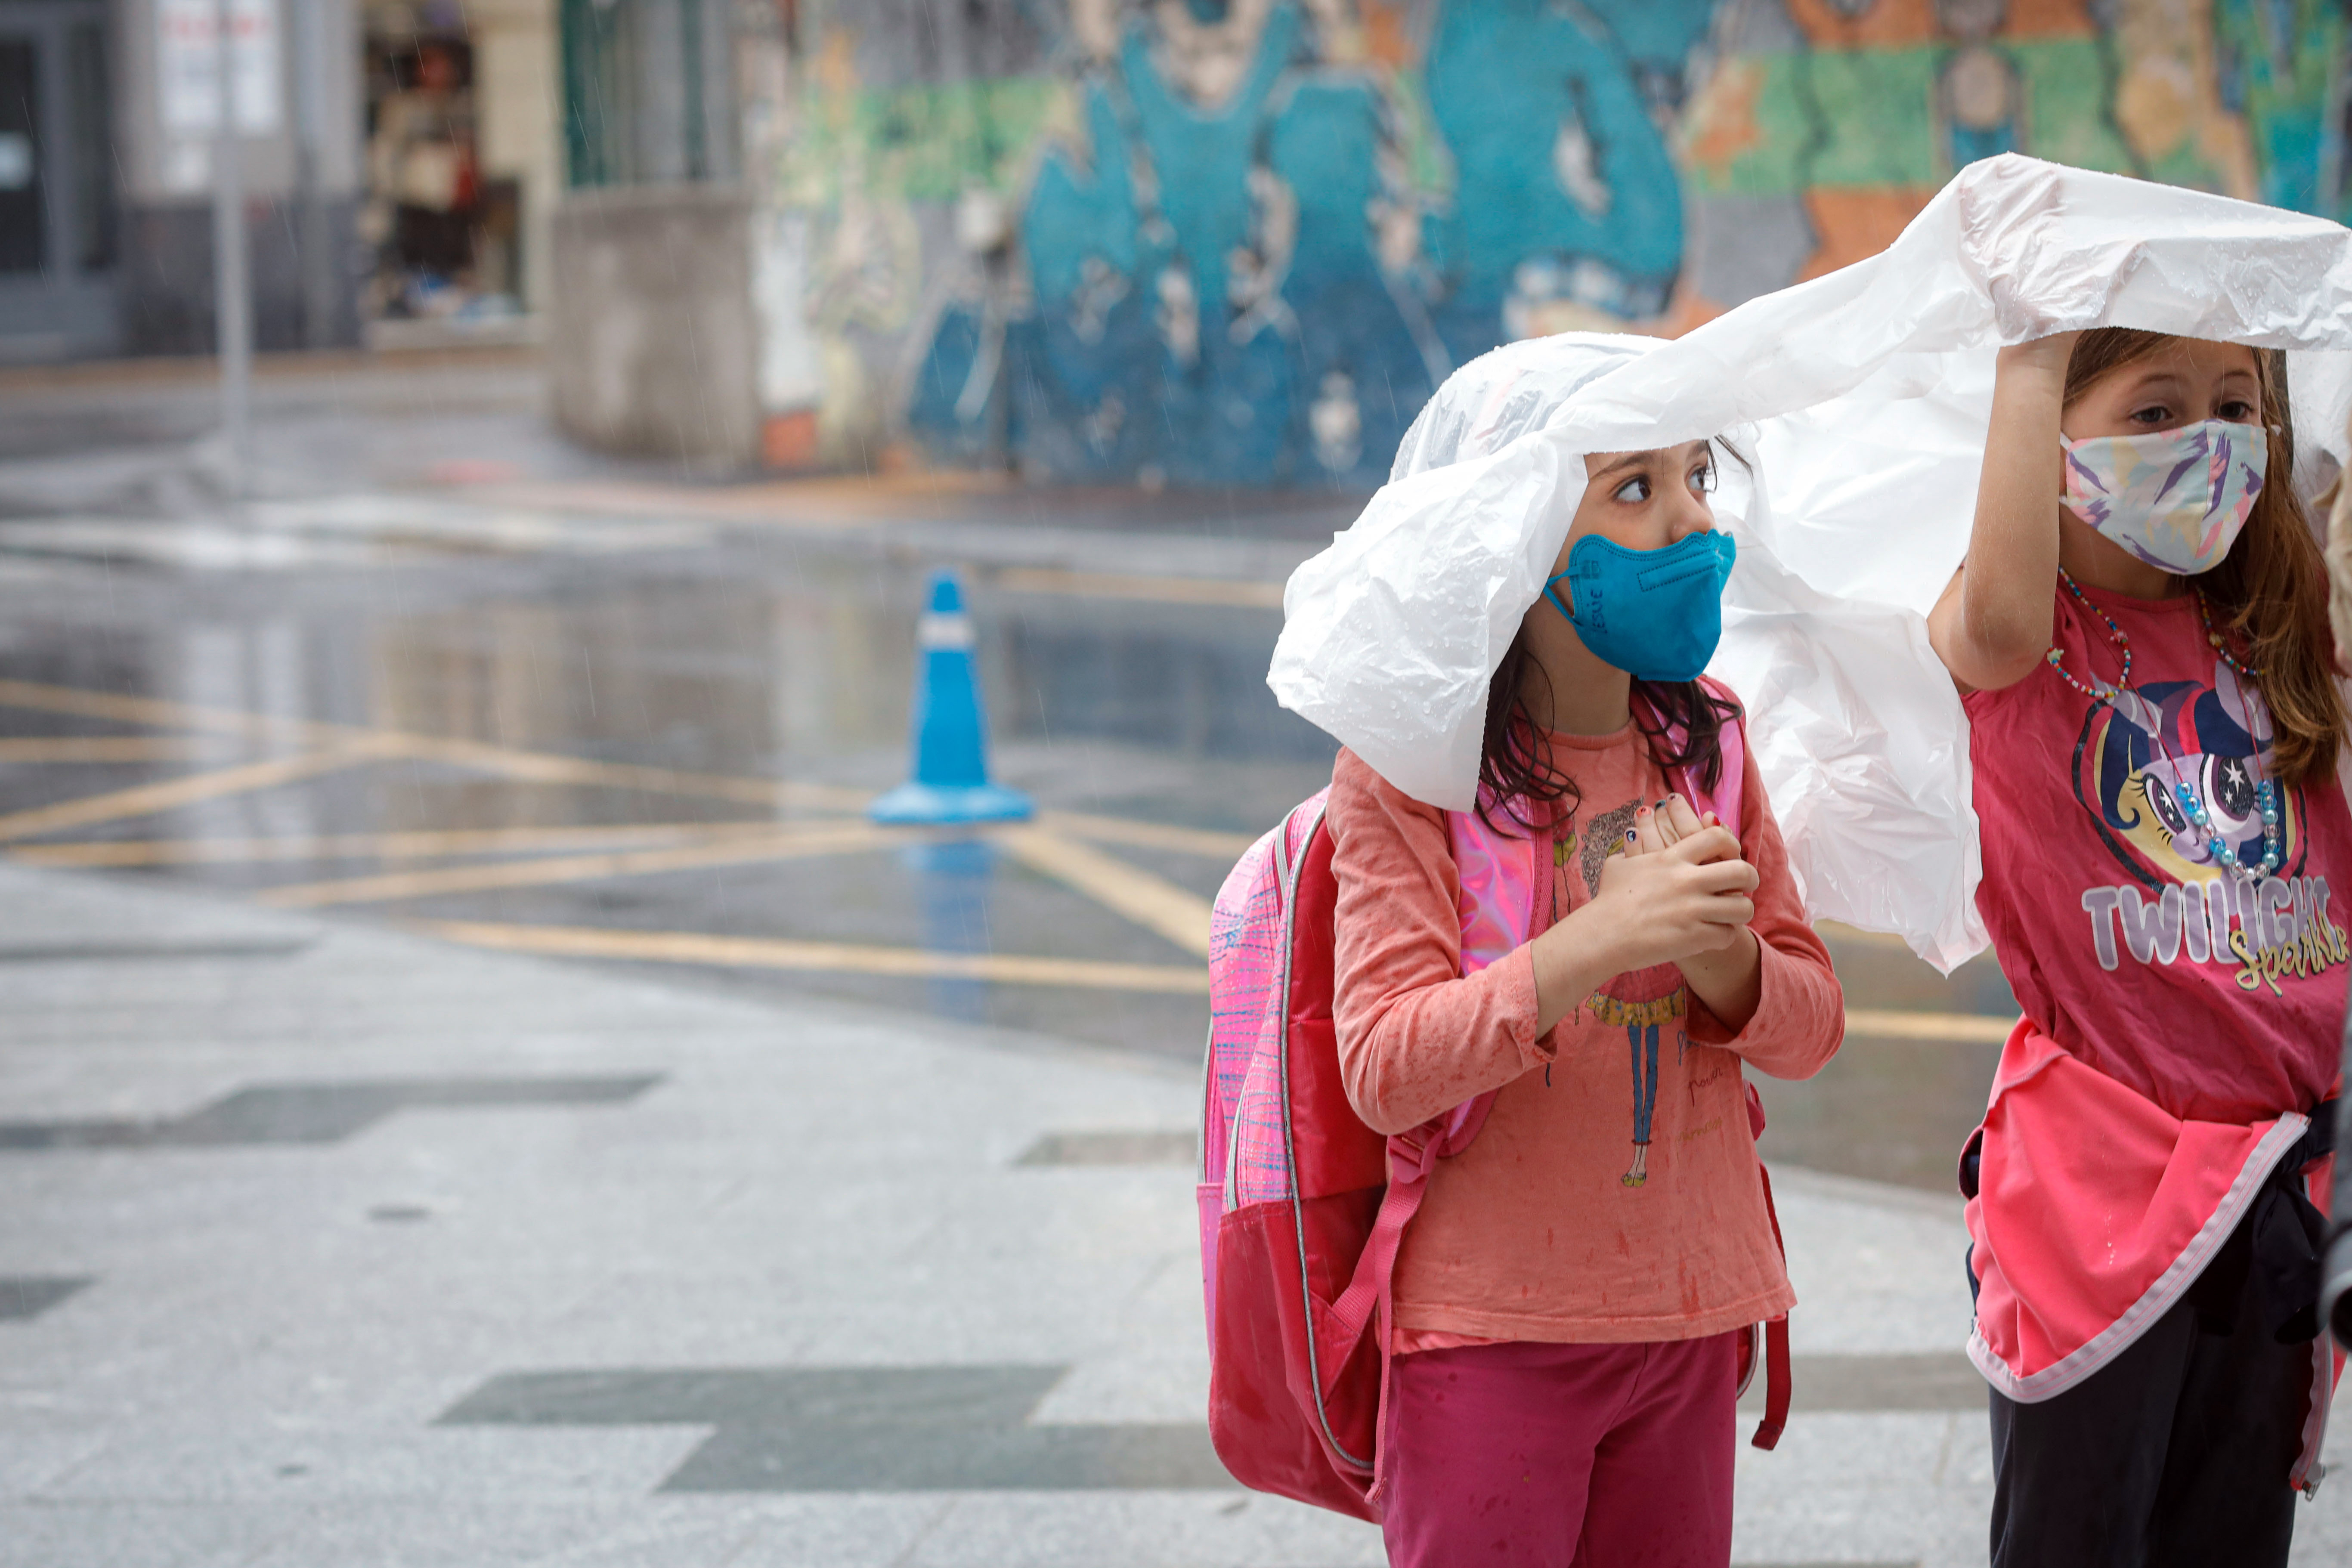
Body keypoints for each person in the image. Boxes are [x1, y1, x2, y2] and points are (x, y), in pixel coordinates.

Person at [1325, 340, 1845, 1566]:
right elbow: (1385, 1064)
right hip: (1490, 1334)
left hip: (1689, 1312)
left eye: (1696, 475)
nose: (1687, 520)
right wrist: (1597, 939)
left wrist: (1725, 962)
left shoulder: (1709, 740)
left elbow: (1814, 1021)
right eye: (1630, 488)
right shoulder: (1414, 769)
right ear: (1513, 534)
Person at [1930, 328, 2348, 1566]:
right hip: (2101, 1200)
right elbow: (1995, 611)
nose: (2206, 441)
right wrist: (2026, 353)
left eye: (2233, 405)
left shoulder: (2278, 630)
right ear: (2058, 438)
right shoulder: (2030, 640)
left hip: (2276, 1194)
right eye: (2154, 410)